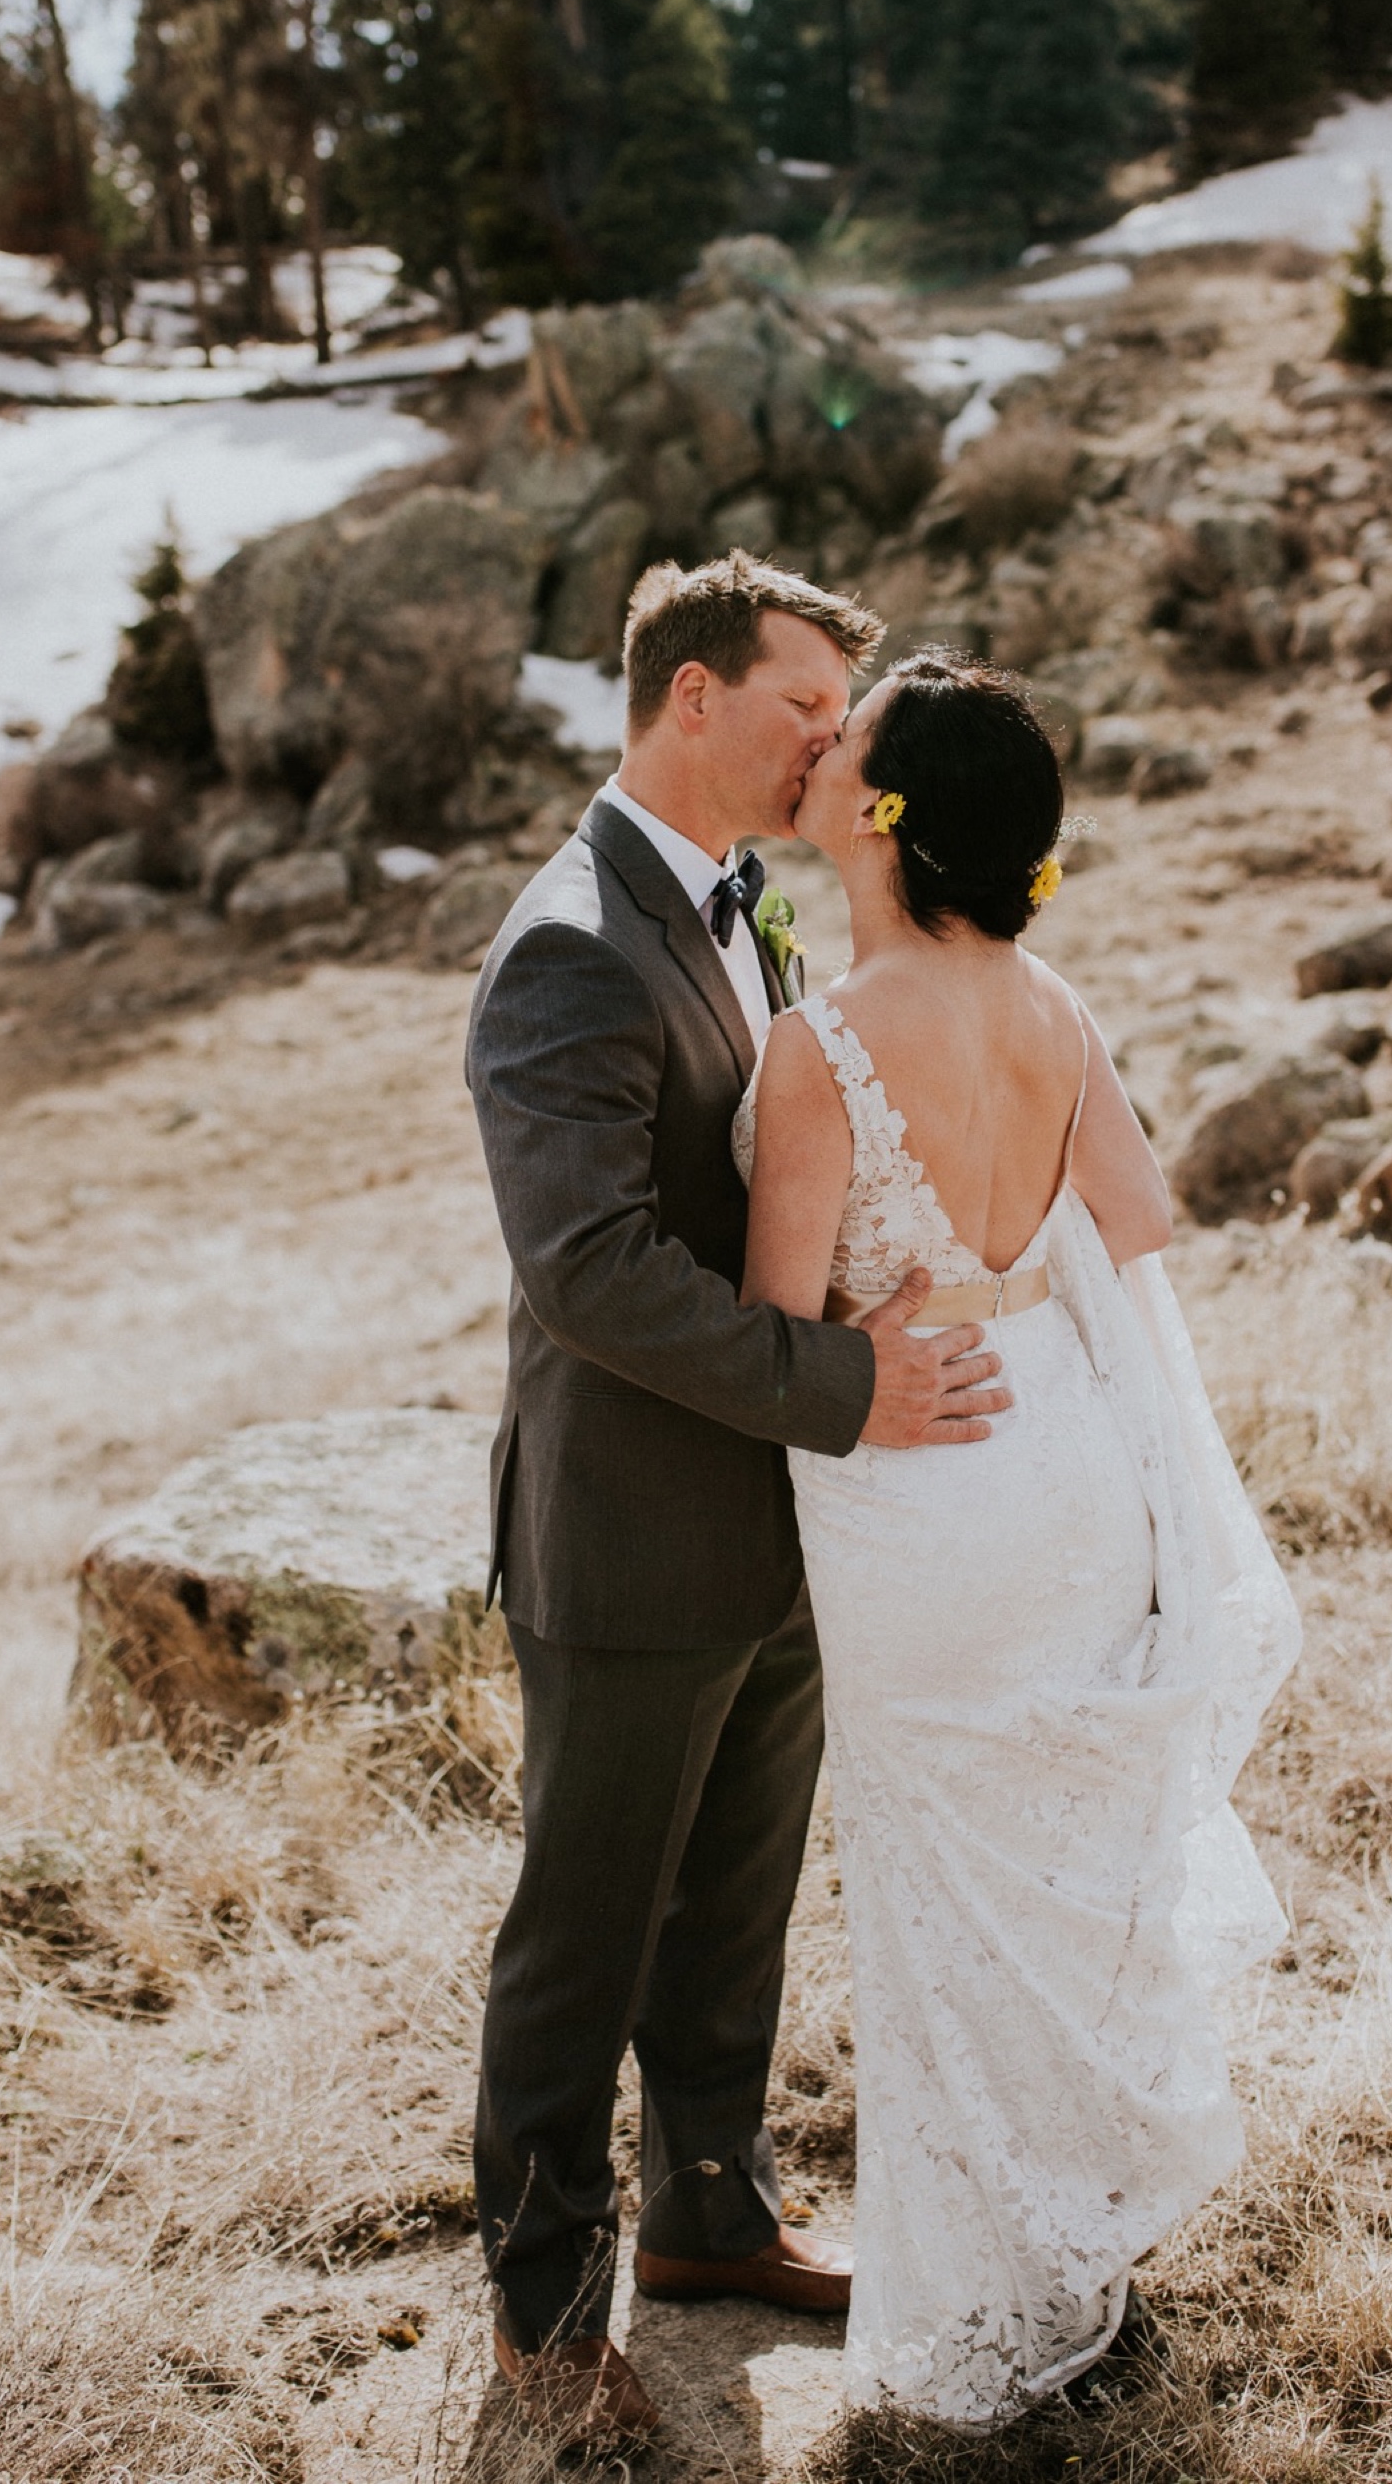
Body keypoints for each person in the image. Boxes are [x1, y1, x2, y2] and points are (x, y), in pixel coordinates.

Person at [465, 557, 1012, 2446]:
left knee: (734, 1904)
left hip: (777, 1536)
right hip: (626, 1541)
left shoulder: (750, 912)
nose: (825, 744)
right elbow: (593, 1272)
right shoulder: (565, 945)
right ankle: (547, 2311)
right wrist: (853, 1389)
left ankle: (710, 2213)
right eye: (802, 703)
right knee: (585, 1925)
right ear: (690, 697)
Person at [736, 647, 1301, 2429]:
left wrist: (891, 1308)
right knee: (1051, 1873)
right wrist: (997, 1254)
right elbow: (1129, 1215)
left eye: (856, 745)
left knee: (933, 1891)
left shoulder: (823, 1044)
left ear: (885, 821)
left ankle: (975, 2311)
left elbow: (776, 1327)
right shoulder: (1052, 1004)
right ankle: (1072, 2248)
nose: (825, 753)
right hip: (1059, 1451)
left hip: (922, 1478)